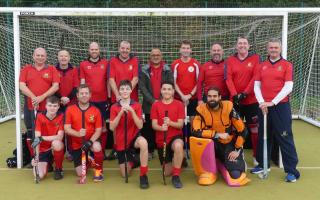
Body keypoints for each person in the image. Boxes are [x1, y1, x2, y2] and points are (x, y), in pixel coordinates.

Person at [251, 38, 300, 182]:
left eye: (276, 47)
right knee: (263, 136)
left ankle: (292, 171)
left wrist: (272, 102)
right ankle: (262, 164)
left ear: (280, 49)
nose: (273, 50)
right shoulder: (261, 66)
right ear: (267, 49)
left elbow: (288, 87)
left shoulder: (287, 65)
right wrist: (262, 103)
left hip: (281, 107)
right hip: (264, 106)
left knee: (284, 136)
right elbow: (256, 86)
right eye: (271, 47)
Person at [191, 87, 250, 186]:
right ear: (206, 98)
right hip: (211, 145)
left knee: (236, 175)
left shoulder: (229, 107)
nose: (212, 98)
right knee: (201, 141)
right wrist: (216, 134)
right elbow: (195, 131)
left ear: (219, 97)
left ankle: (236, 158)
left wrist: (237, 149)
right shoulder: (201, 110)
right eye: (209, 96)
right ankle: (212, 165)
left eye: (214, 96)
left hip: (228, 143)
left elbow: (243, 130)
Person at [225, 36, 261, 165]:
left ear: (249, 46)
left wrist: (245, 93)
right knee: (236, 130)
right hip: (235, 102)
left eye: (245, 43)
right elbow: (228, 78)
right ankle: (237, 155)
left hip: (251, 100)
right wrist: (235, 95)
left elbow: (256, 77)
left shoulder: (256, 58)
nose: (242, 45)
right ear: (236, 46)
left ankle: (257, 156)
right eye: (240, 43)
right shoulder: (229, 60)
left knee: (254, 130)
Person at [19, 47, 60, 158]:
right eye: (38, 55)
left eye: (42, 55)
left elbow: (56, 86)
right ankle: (34, 158)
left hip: (47, 108)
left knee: (46, 132)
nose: (40, 57)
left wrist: (42, 97)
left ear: (46, 57)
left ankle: (47, 158)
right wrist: (34, 98)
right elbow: (22, 86)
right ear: (33, 56)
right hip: (31, 106)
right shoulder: (26, 69)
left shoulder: (51, 69)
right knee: (31, 131)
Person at [110, 80, 150, 189]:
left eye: (127, 89)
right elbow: (111, 127)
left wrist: (132, 111)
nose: (124, 91)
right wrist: (120, 114)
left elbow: (140, 126)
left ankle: (143, 175)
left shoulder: (136, 105)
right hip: (121, 141)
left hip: (134, 137)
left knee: (143, 143)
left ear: (131, 90)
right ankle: (134, 161)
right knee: (125, 174)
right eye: (122, 89)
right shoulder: (114, 107)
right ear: (118, 91)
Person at [64, 84, 104, 182]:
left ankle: (98, 172)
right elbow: (66, 128)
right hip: (77, 144)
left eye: (86, 93)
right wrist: (78, 134)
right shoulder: (70, 109)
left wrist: (90, 142)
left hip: (91, 141)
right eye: (81, 93)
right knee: (80, 173)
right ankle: (89, 159)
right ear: (77, 95)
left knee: (97, 147)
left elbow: (99, 130)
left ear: (90, 95)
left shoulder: (96, 110)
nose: (84, 95)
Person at [139, 48, 174, 160]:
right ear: (150, 56)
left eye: (158, 55)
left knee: (163, 126)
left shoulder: (167, 69)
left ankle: (165, 148)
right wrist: (153, 101)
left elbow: (170, 84)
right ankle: (149, 150)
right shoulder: (144, 69)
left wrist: (162, 100)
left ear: (161, 56)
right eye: (153, 55)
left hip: (164, 104)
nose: (155, 57)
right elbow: (142, 87)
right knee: (148, 128)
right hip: (148, 105)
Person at [108, 40, 140, 160]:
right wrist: (118, 94)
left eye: (127, 48)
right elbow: (111, 79)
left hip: (131, 97)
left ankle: (131, 147)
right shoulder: (112, 61)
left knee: (133, 122)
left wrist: (127, 92)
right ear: (119, 48)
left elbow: (135, 78)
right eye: (122, 48)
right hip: (117, 97)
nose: (125, 50)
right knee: (116, 124)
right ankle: (117, 148)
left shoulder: (135, 60)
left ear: (130, 50)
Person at [150, 81, 185, 189]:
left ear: (173, 91)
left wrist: (170, 123)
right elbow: (154, 125)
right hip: (162, 140)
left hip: (175, 137)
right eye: (164, 89)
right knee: (167, 172)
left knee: (178, 145)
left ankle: (176, 176)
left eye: (169, 89)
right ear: (161, 91)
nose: (166, 91)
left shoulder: (179, 104)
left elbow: (180, 125)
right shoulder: (155, 105)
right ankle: (180, 160)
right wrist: (161, 128)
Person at [79, 42, 109, 159]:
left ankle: (102, 151)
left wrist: (109, 97)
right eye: (92, 49)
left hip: (103, 100)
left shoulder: (105, 63)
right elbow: (82, 81)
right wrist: (82, 98)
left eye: (96, 49)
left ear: (99, 50)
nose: (94, 51)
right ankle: (90, 150)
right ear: (89, 50)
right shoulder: (83, 64)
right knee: (90, 126)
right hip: (89, 101)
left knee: (103, 127)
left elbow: (108, 81)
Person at [31, 96, 64, 180]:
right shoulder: (39, 116)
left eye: (55, 106)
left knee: (56, 143)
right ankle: (48, 164)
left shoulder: (61, 116)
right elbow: (37, 139)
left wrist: (42, 138)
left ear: (58, 107)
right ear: (45, 106)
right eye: (50, 105)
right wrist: (36, 158)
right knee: (39, 176)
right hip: (43, 150)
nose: (52, 108)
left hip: (54, 147)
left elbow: (60, 137)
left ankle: (58, 169)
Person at [55, 49, 79, 161]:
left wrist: (68, 98)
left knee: (70, 129)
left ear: (69, 58)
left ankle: (71, 151)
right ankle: (59, 150)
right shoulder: (53, 70)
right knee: (58, 129)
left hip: (71, 103)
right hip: (57, 104)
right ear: (58, 57)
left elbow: (76, 87)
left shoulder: (74, 70)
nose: (63, 58)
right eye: (61, 56)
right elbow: (52, 86)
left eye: (65, 56)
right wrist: (60, 98)